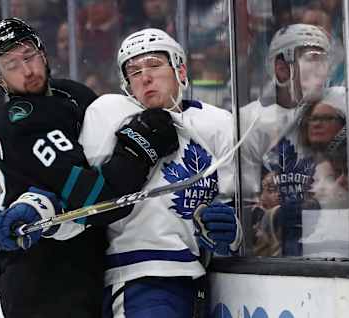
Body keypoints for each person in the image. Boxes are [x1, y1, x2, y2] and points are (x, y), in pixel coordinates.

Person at [0, 18, 179, 318]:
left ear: (43, 53)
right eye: (11, 65)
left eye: (29, 55)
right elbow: (97, 201)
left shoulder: (73, 94)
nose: (28, 70)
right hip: (41, 280)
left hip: (89, 267)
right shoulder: (19, 122)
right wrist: (140, 148)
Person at [78, 28, 242, 317]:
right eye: (133, 71)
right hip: (140, 275)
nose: (144, 76)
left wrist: (233, 231)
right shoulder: (111, 114)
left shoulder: (218, 123)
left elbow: (235, 204)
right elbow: (88, 197)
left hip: (199, 277)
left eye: (154, 64)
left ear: (179, 68)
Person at [239, 23, 336, 256]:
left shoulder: (340, 107)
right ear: (282, 68)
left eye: (325, 60)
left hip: (330, 238)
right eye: (313, 59)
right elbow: (245, 196)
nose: (322, 70)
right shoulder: (251, 119)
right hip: (273, 244)